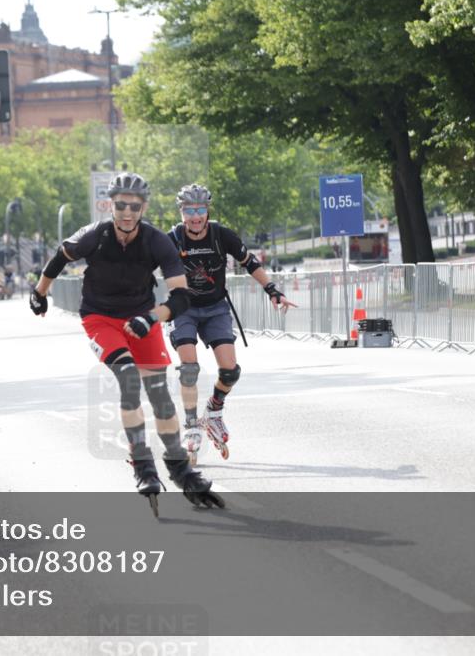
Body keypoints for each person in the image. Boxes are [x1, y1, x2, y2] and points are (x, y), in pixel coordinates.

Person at [30, 172, 223, 514]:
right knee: (129, 380)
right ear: (111, 205)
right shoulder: (95, 234)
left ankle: (180, 468)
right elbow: (60, 258)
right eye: (120, 205)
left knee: (161, 397)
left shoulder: (156, 241)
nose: (127, 213)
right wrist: (39, 294)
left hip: (141, 318)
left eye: (134, 206)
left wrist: (151, 317)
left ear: (144, 207)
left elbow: (180, 297)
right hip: (100, 318)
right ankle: (143, 464)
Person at [167, 184, 297, 463]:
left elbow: (250, 262)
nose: (195, 217)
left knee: (230, 371)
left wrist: (273, 290)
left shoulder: (221, 235)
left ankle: (213, 412)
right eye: (189, 211)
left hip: (215, 308)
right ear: (181, 212)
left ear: (207, 211)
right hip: (184, 308)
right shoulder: (172, 239)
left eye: (200, 210)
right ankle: (191, 426)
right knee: (189, 368)